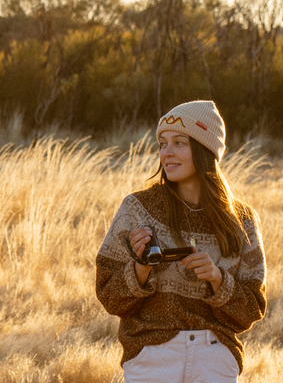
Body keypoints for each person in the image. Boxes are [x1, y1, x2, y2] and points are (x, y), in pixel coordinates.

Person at [96, 100, 266, 383]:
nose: (166, 153)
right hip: (151, 356)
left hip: (214, 358)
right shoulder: (138, 208)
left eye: (179, 143)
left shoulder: (242, 220)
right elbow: (109, 297)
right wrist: (141, 269)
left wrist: (217, 279)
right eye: (162, 143)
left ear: (204, 149)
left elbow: (251, 310)